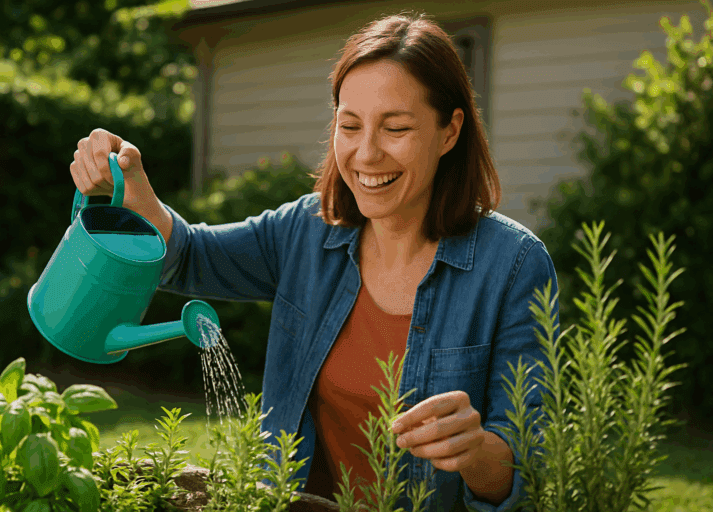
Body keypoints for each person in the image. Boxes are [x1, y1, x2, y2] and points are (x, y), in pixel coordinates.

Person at [70, 11, 557, 512]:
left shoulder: (513, 265)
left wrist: (474, 449)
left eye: (396, 128)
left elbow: (524, 469)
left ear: (449, 131)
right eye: (350, 126)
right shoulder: (307, 230)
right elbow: (190, 257)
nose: (366, 154)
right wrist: (137, 195)